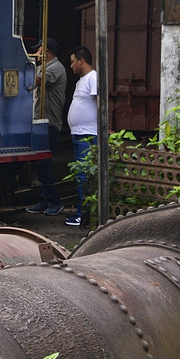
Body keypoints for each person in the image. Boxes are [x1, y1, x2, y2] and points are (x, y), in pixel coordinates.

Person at [26, 38, 67, 215]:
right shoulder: (43, 68)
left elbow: (35, 81)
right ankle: (44, 199)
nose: (37, 53)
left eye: (39, 50)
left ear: (47, 51)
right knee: (39, 164)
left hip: (50, 122)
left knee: (44, 164)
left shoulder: (56, 68)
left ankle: (54, 201)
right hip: (41, 122)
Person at [65, 46, 98, 227]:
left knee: (84, 175)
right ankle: (81, 213)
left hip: (87, 134)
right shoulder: (81, 81)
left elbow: (100, 102)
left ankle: (82, 215)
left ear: (81, 60)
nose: (71, 66)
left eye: (72, 61)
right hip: (78, 134)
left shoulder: (92, 77)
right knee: (80, 174)